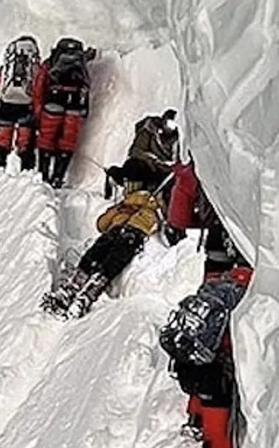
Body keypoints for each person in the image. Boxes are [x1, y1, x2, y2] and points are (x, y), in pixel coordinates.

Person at [159, 263, 252, 448]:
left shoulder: (215, 286)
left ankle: (193, 419)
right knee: (219, 440)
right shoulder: (242, 301)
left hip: (190, 365)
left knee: (210, 428)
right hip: (214, 375)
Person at [41, 187, 164, 318]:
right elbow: (101, 225)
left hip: (134, 232)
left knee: (115, 257)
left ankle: (89, 292)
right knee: (96, 252)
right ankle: (75, 286)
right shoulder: (122, 208)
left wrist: (137, 208)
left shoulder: (149, 211)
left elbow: (153, 222)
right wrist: (119, 210)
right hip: (115, 231)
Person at [35, 37, 95, 188]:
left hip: (53, 101)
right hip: (75, 103)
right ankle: (58, 177)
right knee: (68, 140)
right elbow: (86, 84)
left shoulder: (50, 62)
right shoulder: (80, 62)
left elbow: (39, 84)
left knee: (46, 138)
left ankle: (43, 175)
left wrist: (38, 109)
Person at [0, 36, 41, 170]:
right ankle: (27, 170)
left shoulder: (6, 68)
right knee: (25, 141)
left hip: (6, 105)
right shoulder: (35, 68)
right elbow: (39, 89)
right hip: (26, 106)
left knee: (3, 139)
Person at [105, 109, 180, 195]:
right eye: (168, 123)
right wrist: (152, 161)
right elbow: (137, 150)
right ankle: (130, 194)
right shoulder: (149, 131)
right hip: (146, 166)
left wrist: (167, 166)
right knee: (134, 167)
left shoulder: (180, 140)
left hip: (163, 172)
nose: (170, 127)